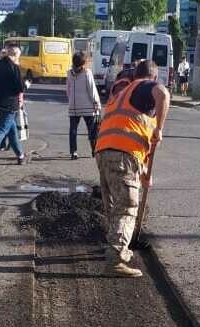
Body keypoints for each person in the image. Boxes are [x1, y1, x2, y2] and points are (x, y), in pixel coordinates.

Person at [95, 59, 170, 278]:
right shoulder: (146, 85)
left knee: (114, 206)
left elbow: (129, 129)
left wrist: (145, 172)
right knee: (127, 206)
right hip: (122, 154)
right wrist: (159, 128)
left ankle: (116, 246)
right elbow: (163, 95)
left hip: (104, 151)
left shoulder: (121, 94)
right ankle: (115, 260)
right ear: (153, 77)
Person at [66, 51, 101, 160]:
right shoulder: (87, 73)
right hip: (88, 106)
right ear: (84, 62)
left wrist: (70, 99)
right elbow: (92, 90)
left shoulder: (69, 73)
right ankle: (94, 150)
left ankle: (73, 152)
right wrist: (97, 103)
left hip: (74, 106)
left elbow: (68, 89)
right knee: (92, 129)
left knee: (73, 130)